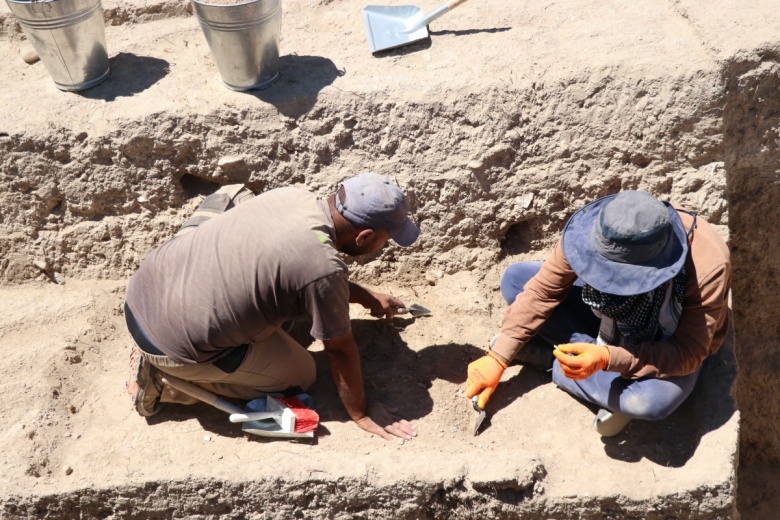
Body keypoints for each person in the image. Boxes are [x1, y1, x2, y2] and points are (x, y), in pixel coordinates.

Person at [125, 172, 420, 442]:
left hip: (145, 289)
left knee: (237, 199)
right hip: (169, 344)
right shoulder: (323, 268)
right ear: (364, 236)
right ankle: (166, 384)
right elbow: (340, 350)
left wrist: (365, 296)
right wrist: (361, 412)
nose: (386, 245)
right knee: (302, 374)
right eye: (387, 239)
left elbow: (306, 270)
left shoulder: (292, 197)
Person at [465, 190, 731, 436]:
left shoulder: (707, 264)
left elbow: (688, 352)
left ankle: (554, 359)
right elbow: (542, 291)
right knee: (516, 280)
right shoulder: (596, 229)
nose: (610, 281)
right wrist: (498, 357)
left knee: (647, 402)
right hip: (604, 318)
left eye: (620, 276)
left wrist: (607, 357)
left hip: (665, 340)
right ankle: (596, 373)